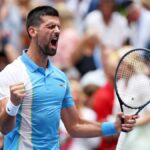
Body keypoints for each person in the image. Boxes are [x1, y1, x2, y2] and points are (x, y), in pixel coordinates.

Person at [0, 5, 138, 150]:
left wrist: (114, 126)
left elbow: (74, 125)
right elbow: (4, 128)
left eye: (59, 27)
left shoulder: (60, 77)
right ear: (32, 31)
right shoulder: (11, 73)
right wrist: (13, 105)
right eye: (51, 26)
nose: (57, 31)